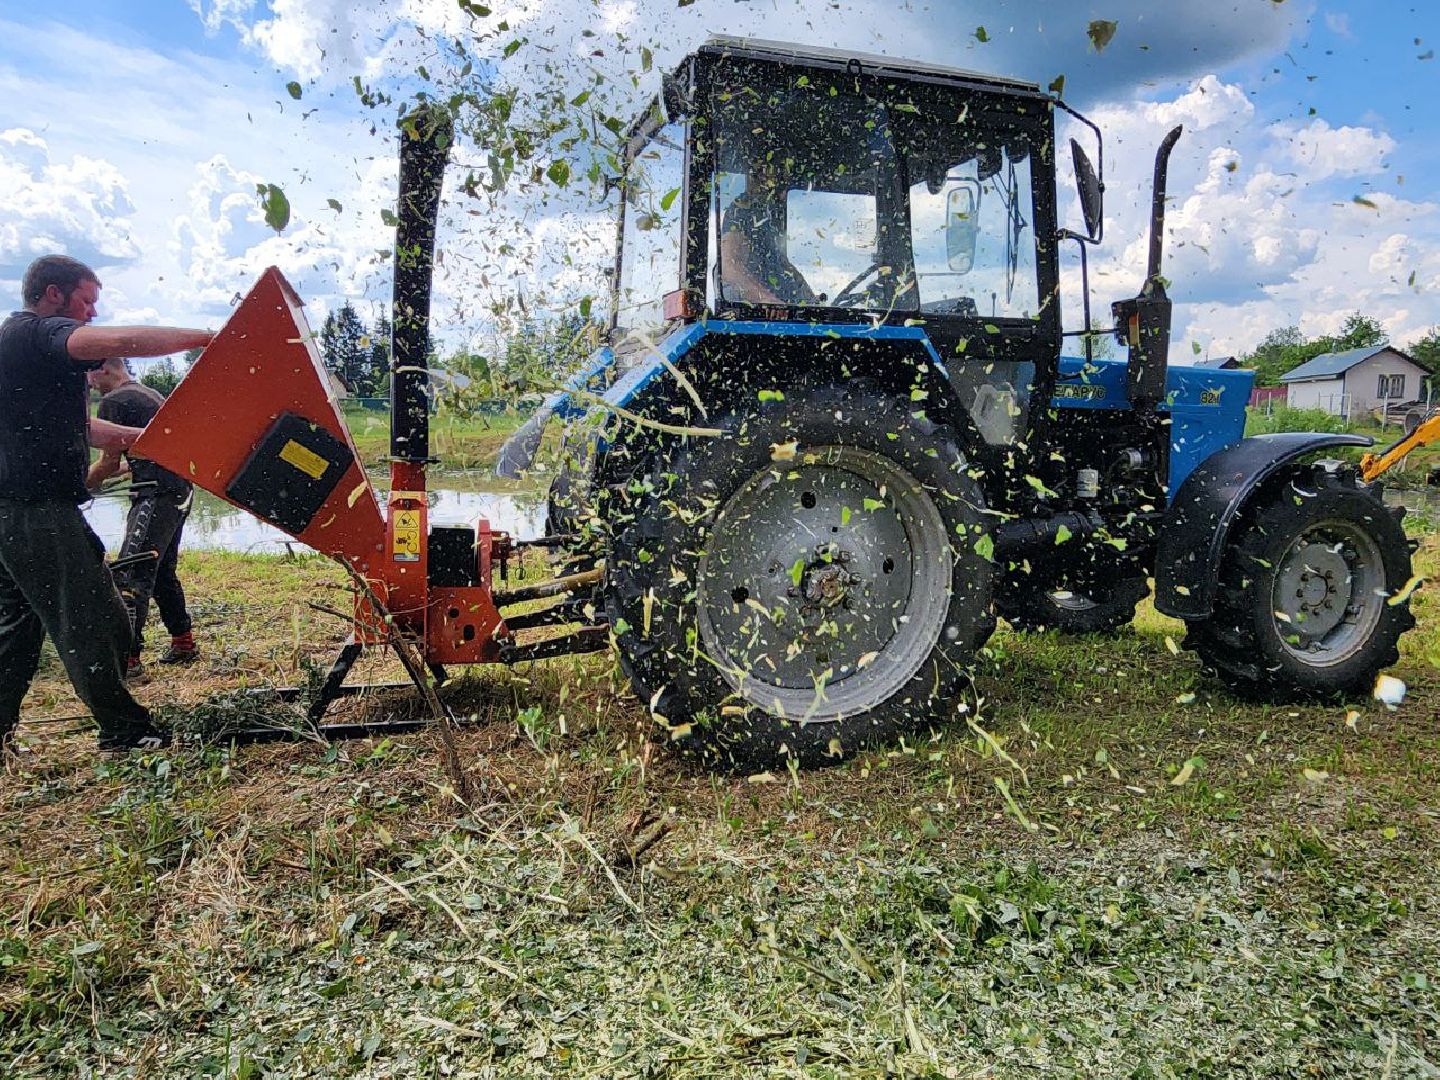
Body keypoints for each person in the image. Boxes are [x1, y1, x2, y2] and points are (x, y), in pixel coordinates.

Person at [0, 254, 212, 754]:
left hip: (17, 512)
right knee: (95, 617)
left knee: (17, 630)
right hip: (36, 511)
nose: (92, 313)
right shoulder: (33, 332)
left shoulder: (27, 356)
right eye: (86, 301)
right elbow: (117, 341)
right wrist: (207, 338)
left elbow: (87, 429)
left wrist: (152, 440)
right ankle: (124, 730)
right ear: (53, 294)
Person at [86, 358, 197, 682]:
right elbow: (139, 455)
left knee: (130, 574)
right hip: (178, 490)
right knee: (161, 571)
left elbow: (107, 462)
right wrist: (117, 472)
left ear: (103, 368)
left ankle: (128, 660)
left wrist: (78, 485)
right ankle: (183, 642)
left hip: (155, 494)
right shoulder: (146, 393)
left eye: (88, 373)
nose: (88, 382)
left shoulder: (114, 401)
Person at [719, 164, 818, 306]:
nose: (783, 188)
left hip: (788, 309)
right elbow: (728, 266)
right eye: (779, 177)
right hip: (756, 314)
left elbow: (782, 263)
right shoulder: (741, 209)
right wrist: (768, 301)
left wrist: (811, 300)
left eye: (785, 179)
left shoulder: (773, 214)